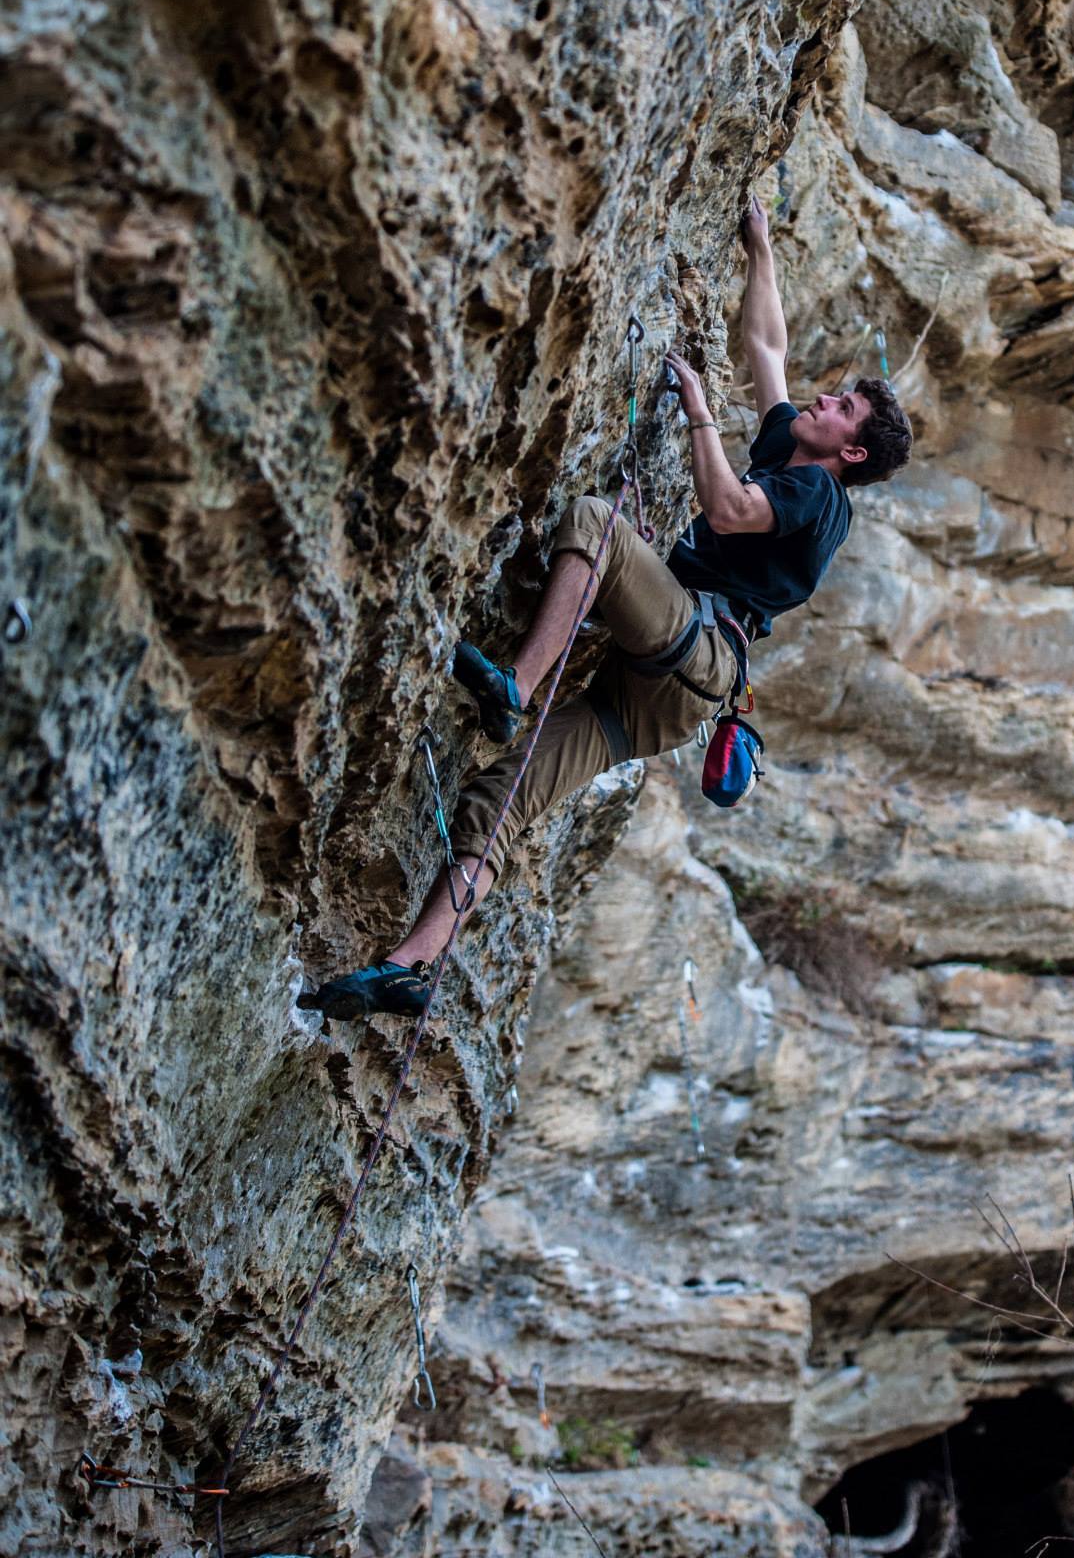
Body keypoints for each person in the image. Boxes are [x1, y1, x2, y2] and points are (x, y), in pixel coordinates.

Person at [299, 199, 912, 1019]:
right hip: (663, 698)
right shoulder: (791, 449)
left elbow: (728, 510)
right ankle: (409, 968)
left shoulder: (816, 495)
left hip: (699, 652)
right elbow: (766, 345)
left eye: (840, 409)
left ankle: (513, 686)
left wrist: (696, 407)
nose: (821, 401)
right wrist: (759, 246)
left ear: (852, 452)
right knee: (502, 799)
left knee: (596, 525)